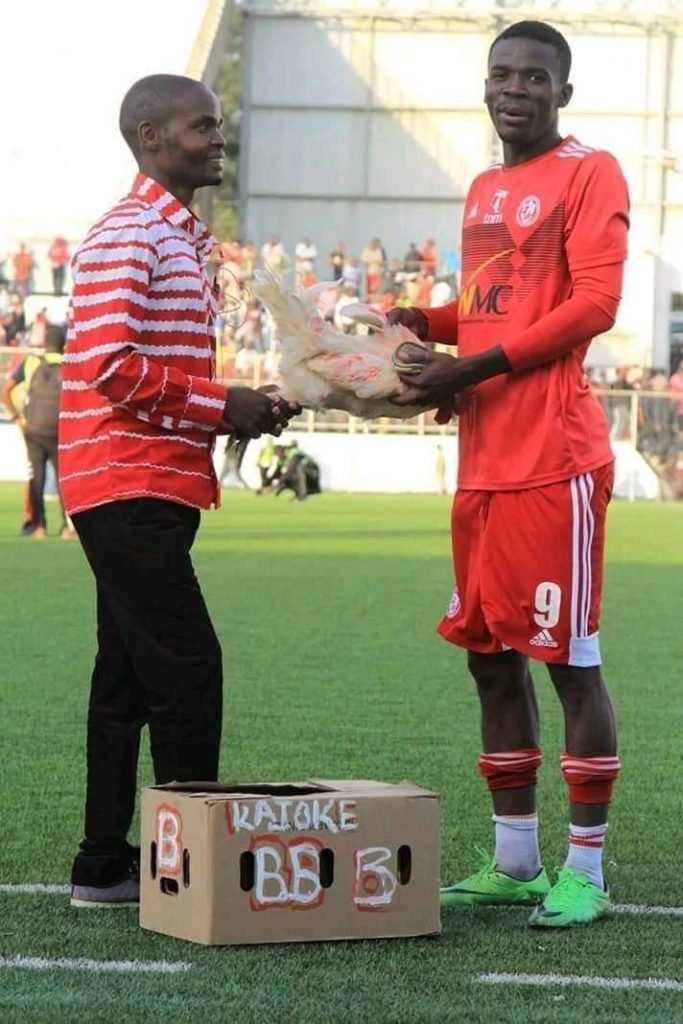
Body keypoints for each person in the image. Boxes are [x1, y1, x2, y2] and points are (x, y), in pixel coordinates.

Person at [390, 20, 628, 928]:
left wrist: (469, 368)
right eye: (501, 74)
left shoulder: (587, 171)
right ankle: (516, 861)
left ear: (562, 93)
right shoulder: (486, 187)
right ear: (484, 88)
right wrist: (424, 319)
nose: (514, 88)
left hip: (551, 461)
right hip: (483, 462)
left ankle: (586, 872)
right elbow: (493, 309)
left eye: (534, 77)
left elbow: (592, 304)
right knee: (489, 663)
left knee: (569, 662)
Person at [60, 73, 297, 908]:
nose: (217, 137)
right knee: (189, 669)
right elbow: (108, 366)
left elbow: (141, 366)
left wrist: (243, 408)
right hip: (125, 483)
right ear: (152, 137)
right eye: (203, 126)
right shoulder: (131, 233)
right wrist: (218, 405)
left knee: (125, 676)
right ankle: (184, 872)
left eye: (217, 123)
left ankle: (103, 864)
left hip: (144, 481)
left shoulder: (174, 237)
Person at [3, 324, 72, 538]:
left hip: (32, 430)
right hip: (60, 431)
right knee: (64, 481)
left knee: (37, 478)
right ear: (64, 344)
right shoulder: (70, 365)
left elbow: (5, 390)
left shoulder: (31, 361)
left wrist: (17, 418)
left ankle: (39, 527)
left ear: (44, 343)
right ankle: (67, 528)